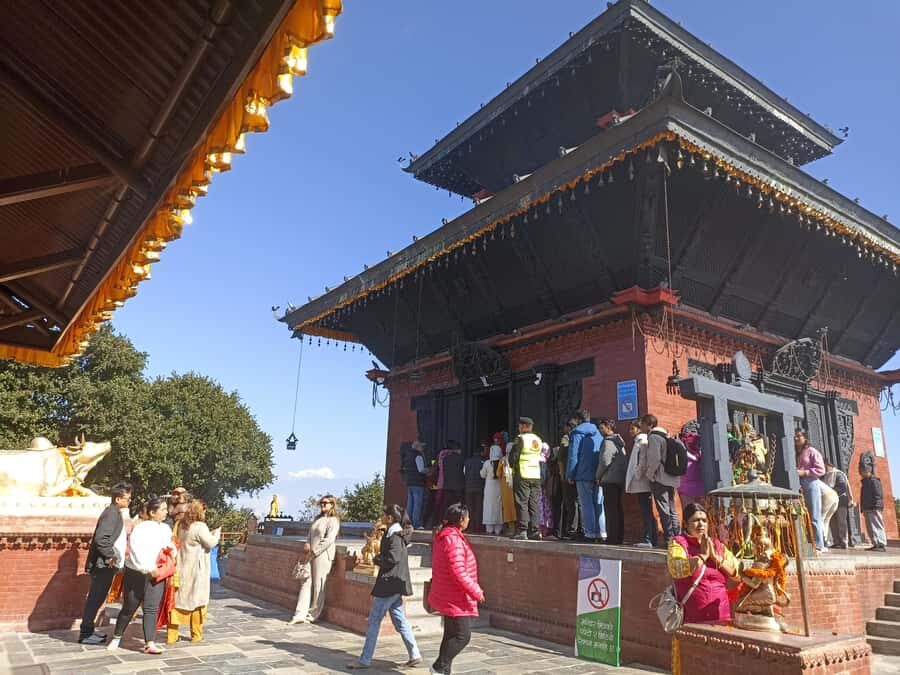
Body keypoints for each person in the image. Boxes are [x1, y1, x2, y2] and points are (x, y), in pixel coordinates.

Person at [348, 505, 422, 670]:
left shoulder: (395, 536)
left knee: (374, 621)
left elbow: (392, 558)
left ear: (389, 518)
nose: (381, 517)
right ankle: (415, 654)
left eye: (383, 515)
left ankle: (365, 659)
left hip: (390, 583)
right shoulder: (395, 533)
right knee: (399, 620)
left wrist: (376, 559)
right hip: (394, 583)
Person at [108, 497, 174, 654]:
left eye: (166, 509)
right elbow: (136, 550)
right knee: (129, 607)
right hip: (137, 573)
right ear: (152, 512)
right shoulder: (140, 529)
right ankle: (117, 637)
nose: (166, 512)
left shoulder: (166, 529)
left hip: (157, 574)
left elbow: (168, 546)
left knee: (151, 608)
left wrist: (171, 553)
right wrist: (148, 568)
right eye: (163, 509)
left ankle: (149, 642)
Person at [427, 503, 484, 675]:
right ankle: (439, 667)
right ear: (461, 520)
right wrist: (476, 591)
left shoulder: (447, 536)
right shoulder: (453, 540)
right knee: (462, 636)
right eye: (467, 517)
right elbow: (458, 571)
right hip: (455, 596)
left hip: (449, 593)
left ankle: (443, 670)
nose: (469, 519)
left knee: (451, 634)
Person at [78, 482, 132, 644]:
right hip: (104, 564)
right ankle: (85, 634)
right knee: (95, 598)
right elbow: (101, 538)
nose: (129, 501)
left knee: (98, 598)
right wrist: (110, 556)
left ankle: (89, 630)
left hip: (107, 564)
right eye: (127, 499)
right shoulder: (111, 514)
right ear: (117, 499)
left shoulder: (115, 513)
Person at [666, 502, 737, 624]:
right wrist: (702, 556)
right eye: (696, 520)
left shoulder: (717, 545)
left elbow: (736, 573)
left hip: (721, 615)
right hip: (692, 618)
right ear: (685, 524)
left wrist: (715, 557)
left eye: (704, 520)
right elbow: (676, 569)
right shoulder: (678, 543)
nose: (701, 524)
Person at [167, 501, 221, 644]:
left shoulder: (181, 525)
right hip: (196, 571)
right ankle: (196, 635)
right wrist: (216, 534)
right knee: (198, 602)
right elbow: (210, 543)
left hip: (181, 567)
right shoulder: (200, 526)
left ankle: (172, 636)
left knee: (178, 602)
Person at [291, 495, 341, 623]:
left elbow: (329, 539)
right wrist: (307, 543)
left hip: (323, 555)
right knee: (306, 582)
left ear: (332, 504)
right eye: (321, 503)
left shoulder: (333, 521)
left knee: (318, 585)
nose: (323, 505)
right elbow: (310, 534)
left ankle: (313, 614)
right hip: (310, 554)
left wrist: (315, 551)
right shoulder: (317, 519)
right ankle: (300, 614)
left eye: (325, 503)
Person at [642, 414, 680, 545]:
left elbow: (654, 459)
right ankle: (677, 537)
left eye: (642, 424)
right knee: (672, 509)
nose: (641, 427)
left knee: (664, 510)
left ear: (649, 425)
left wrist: (650, 475)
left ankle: (669, 539)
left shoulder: (654, 437)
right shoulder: (666, 436)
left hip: (660, 478)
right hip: (671, 477)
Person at [567, 410, 604, 542]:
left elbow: (573, 455)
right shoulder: (598, 433)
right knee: (599, 503)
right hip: (598, 472)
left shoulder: (577, 433)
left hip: (583, 473)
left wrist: (570, 474)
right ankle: (602, 533)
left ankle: (590, 534)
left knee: (586, 504)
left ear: (578, 419)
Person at [509, 416, 544, 540]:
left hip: (523, 473)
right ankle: (534, 530)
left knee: (521, 502)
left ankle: (522, 530)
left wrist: (512, 465)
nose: (519, 427)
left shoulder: (521, 439)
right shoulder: (537, 440)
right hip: (535, 474)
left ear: (524, 426)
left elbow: (513, 457)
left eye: (520, 425)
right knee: (534, 503)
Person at [794, 430, 826, 552]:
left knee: (814, 515)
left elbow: (821, 470)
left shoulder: (812, 451)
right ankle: (809, 542)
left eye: (799, 436)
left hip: (811, 483)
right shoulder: (796, 453)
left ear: (805, 437)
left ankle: (819, 544)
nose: (796, 438)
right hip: (800, 485)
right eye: (795, 436)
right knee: (803, 515)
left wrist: (805, 472)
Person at [626, 421, 656, 548]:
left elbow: (641, 461)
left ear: (639, 429)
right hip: (642, 482)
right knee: (646, 510)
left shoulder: (641, 440)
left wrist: (637, 474)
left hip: (641, 481)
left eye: (632, 428)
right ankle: (651, 537)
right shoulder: (639, 440)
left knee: (646, 511)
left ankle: (649, 538)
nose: (630, 431)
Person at [596, 419, 627, 545]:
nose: (600, 430)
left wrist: (598, 476)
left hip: (609, 480)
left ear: (609, 428)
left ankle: (612, 537)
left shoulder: (608, 442)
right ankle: (618, 536)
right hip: (618, 479)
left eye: (602, 428)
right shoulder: (619, 443)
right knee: (617, 508)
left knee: (610, 510)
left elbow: (605, 461)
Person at [557, 418, 580, 539]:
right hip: (580, 475)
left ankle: (571, 529)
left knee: (570, 503)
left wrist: (562, 475)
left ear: (569, 427)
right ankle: (579, 529)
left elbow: (560, 459)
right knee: (578, 503)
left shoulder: (567, 438)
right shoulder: (583, 437)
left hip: (569, 475)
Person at [823, 461, 854, 549]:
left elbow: (842, 487)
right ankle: (836, 541)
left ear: (828, 465)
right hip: (830, 502)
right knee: (832, 522)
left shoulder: (838, 474)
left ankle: (844, 541)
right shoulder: (825, 476)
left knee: (841, 522)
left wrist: (830, 491)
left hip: (841, 500)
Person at [434, 442, 465, 524]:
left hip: (447, 486)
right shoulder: (461, 458)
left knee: (446, 505)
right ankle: (456, 521)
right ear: (458, 450)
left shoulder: (445, 459)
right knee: (457, 505)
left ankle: (444, 521)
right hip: (458, 486)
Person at [678, 421, 705, 504]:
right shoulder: (703, 453)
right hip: (700, 489)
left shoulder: (680, 452)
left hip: (686, 489)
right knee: (701, 510)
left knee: (689, 511)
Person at [860, 466, 886, 552]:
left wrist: (876, 506)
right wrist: (863, 508)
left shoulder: (874, 481)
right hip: (867, 508)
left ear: (867, 471)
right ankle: (875, 544)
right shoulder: (865, 482)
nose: (860, 473)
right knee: (870, 527)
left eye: (862, 471)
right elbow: (863, 496)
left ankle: (881, 544)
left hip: (874, 507)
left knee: (877, 525)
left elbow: (878, 494)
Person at [480, 442, 504, 535]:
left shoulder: (487, 463)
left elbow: (482, 475)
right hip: (499, 488)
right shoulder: (502, 462)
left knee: (489, 507)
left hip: (489, 489)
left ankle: (489, 529)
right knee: (498, 507)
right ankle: (498, 529)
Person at [404, 441, 428, 529]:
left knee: (410, 504)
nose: (422, 448)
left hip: (410, 482)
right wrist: (429, 470)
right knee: (417, 504)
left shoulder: (408, 456)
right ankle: (416, 524)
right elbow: (421, 469)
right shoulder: (418, 456)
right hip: (418, 483)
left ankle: (407, 523)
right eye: (421, 447)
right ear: (418, 447)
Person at [463, 445, 486, 534]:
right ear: (481, 452)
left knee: (469, 508)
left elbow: (464, 473)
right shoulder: (483, 462)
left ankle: (470, 527)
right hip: (480, 488)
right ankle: (478, 528)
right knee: (478, 508)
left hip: (468, 488)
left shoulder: (467, 462)